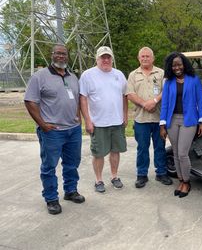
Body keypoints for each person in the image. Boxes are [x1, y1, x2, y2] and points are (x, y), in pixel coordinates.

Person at [24, 44, 85, 215]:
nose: (61, 56)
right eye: (57, 53)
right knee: (49, 166)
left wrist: (78, 117)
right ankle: (51, 198)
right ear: (52, 55)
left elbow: (77, 100)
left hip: (73, 130)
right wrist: (42, 124)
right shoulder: (39, 77)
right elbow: (30, 101)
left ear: (67, 56)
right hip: (52, 131)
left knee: (72, 163)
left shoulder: (73, 77)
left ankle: (71, 190)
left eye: (64, 54)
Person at [79, 46, 128, 193]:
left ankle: (114, 176)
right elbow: (83, 98)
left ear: (112, 59)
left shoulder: (119, 74)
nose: (106, 60)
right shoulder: (88, 75)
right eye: (103, 57)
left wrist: (125, 116)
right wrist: (87, 120)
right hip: (98, 123)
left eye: (108, 57)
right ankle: (98, 180)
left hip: (117, 122)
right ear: (97, 59)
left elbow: (124, 96)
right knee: (98, 153)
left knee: (115, 151)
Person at [160, 52, 202, 198]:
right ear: (170, 67)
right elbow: (165, 104)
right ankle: (180, 180)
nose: (177, 67)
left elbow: (201, 100)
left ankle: (187, 182)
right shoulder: (168, 82)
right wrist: (162, 125)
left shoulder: (194, 80)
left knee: (182, 153)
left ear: (184, 64)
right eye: (173, 65)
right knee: (175, 152)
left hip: (189, 120)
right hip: (172, 120)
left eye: (179, 64)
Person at [126, 47, 173, 188]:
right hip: (141, 119)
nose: (145, 58)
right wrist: (144, 103)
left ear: (153, 58)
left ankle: (161, 173)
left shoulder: (161, 73)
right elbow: (130, 94)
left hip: (159, 119)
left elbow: (167, 90)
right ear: (138, 58)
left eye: (148, 56)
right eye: (142, 56)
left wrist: (154, 101)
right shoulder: (133, 75)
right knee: (142, 148)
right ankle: (142, 175)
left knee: (160, 147)